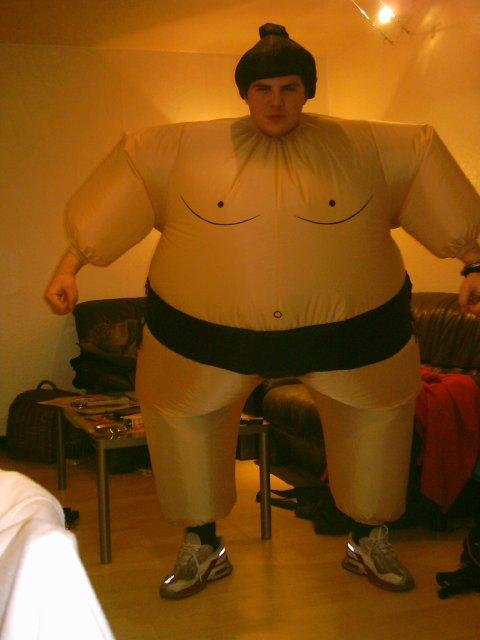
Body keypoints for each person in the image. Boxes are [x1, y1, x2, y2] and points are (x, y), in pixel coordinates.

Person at [45, 23, 480, 599]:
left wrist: (472, 260)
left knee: (375, 426)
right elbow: (125, 182)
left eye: (289, 88)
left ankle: (369, 539)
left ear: (307, 92)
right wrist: (71, 265)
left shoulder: (371, 148)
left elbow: (426, 167)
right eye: (263, 89)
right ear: (245, 94)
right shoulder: (179, 149)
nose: (276, 101)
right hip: (204, 339)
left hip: (356, 336)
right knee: (186, 424)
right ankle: (203, 544)